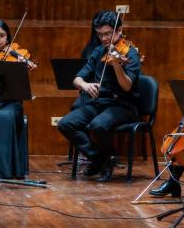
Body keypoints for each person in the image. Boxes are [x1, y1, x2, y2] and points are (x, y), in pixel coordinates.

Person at [57, 10, 142, 182]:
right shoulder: (98, 51)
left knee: (98, 125)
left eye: (108, 34)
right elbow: (77, 79)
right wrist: (85, 85)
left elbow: (126, 86)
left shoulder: (130, 54)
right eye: (100, 35)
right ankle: (101, 158)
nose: (104, 39)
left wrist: (117, 65)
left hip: (123, 105)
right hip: (99, 103)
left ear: (119, 30)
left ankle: (102, 161)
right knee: (66, 124)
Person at [0, 19, 35, 179]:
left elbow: (21, 85)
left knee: (6, 117)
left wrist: (23, 68)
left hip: (10, 103)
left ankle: (5, 169)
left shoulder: (17, 54)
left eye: (2, 35)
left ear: (8, 37)